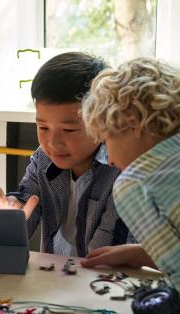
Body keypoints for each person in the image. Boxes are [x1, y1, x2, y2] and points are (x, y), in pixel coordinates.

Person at [0, 52, 131, 257]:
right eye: (42, 127)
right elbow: (26, 201)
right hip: (58, 279)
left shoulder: (121, 172)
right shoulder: (43, 159)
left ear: (102, 121)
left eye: (68, 130)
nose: (52, 142)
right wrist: (10, 215)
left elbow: (105, 261)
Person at [80, 57, 180, 292]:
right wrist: (141, 255)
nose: (111, 160)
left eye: (107, 141)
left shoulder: (136, 183)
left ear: (132, 123)